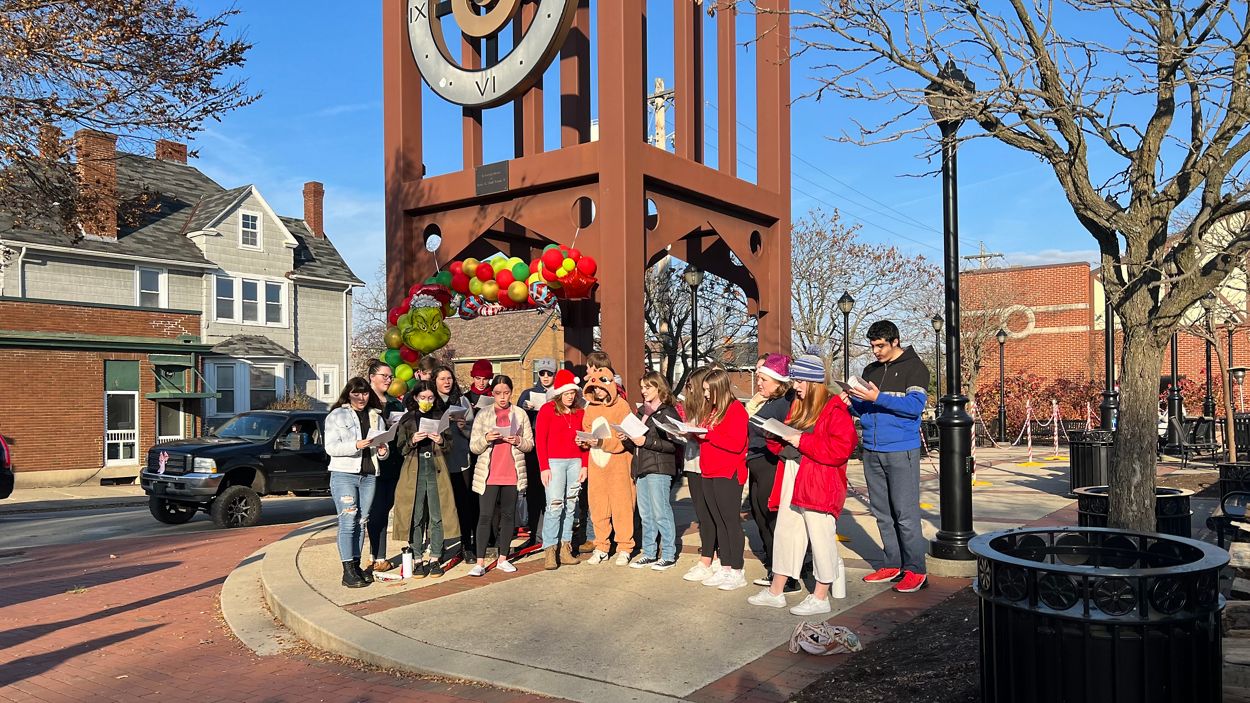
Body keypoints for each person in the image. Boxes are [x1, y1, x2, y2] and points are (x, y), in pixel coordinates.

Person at [748, 350, 856, 615]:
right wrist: (776, 437)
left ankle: (820, 596)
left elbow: (841, 449)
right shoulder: (799, 404)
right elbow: (787, 438)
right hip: (793, 471)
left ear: (813, 382)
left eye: (799, 381)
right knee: (787, 531)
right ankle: (776, 591)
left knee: (820, 536)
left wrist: (801, 441)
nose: (794, 386)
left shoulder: (835, 409)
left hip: (819, 479)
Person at [847, 323, 931, 593]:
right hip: (871, 449)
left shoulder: (915, 368)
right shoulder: (870, 370)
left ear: (895, 341)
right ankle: (892, 564)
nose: (876, 351)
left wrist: (877, 397)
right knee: (882, 513)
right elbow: (866, 409)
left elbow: (914, 406)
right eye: (873, 346)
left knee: (905, 514)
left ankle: (916, 569)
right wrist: (852, 402)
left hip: (901, 449)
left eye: (881, 345)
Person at [684, 367, 749, 590]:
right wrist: (694, 433)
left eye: (707, 390)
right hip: (709, 471)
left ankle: (737, 569)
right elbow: (708, 437)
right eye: (703, 390)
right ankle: (725, 566)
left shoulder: (736, 409)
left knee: (730, 522)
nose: (704, 394)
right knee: (718, 521)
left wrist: (708, 434)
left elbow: (736, 443)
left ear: (719, 389)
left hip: (727, 472)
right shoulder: (712, 410)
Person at [467, 374, 535, 576]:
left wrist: (518, 441)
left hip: (512, 472)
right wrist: (486, 438)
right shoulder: (484, 414)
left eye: (506, 393)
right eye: (498, 393)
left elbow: (530, 444)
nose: (502, 397)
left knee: (508, 516)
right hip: (489, 474)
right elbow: (474, 446)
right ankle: (480, 562)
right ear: (492, 393)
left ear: (511, 392)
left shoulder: (520, 414)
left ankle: (503, 558)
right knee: (485, 516)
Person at [325, 377, 389, 588]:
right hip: (344, 474)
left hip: (368, 475)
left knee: (362, 521)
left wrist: (382, 450)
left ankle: (356, 564)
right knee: (348, 520)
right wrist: (356, 445)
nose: (361, 398)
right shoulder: (337, 415)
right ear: (348, 394)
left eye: (365, 393)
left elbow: (383, 450)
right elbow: (331, 448)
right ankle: (347, 570)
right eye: (356, 393)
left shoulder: (376, 417)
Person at [394, 380, 460, 578]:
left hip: (435, 467)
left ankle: (435, 557)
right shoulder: (407, 419)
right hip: (415, 468)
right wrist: (412, 440)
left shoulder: (441, 416)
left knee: (437, 514)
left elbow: (450, 445)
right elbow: (400, 448)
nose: (427, 401)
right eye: (423, 397)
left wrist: (440, 440)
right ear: (415, 397)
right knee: (415, 515)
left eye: (430, 397)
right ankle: (417, 558)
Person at [579, 356, 637, 565]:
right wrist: (583, 441)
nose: (598, 391)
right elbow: (587, 430)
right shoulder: (590, 408)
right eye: (594, 388)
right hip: (597, 465)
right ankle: (601, 546)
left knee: (622, 507)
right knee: (598, 507)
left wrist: (602, 442)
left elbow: (625, 440)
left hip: (619, 466)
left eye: (601, 387)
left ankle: (624, 547)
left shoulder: (622, 406)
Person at [621, 371, 682, 570]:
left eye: (648, 387)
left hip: (659, 468)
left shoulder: (668, 412)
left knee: (660, 512)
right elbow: (637, 445)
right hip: (641, 467)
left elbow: (673, 445)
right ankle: (649, 553)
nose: (643, 391)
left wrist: (645, 441)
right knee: (646, 515)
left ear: (659, 388)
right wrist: (627, 439)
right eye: (642, 387)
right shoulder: (642, 412)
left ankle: (669, 555)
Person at [747, 354, 798, 591]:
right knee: (760, 516)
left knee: (773, 519)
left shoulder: (785, 402)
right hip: (757, 463)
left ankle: (786, 575)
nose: (758, 383)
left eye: (763, 380)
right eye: (758, 378)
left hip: (771, 464)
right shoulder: (768, 401)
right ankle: (773, 566)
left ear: (779, 382)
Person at [534, 369, 588, 569]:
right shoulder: (547, 410)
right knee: (555, 505)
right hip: (554, 463)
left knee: (571, 505)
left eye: (573, 393)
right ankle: (550, 549)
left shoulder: (580, 412)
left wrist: (585, 465)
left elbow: (585, 440)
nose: (570, 397)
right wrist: (544, 467)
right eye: (567, 393)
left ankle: (565, 547)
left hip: (575, 462)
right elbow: (540, 440)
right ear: (559, 394)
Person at [679, 366, 722, 582]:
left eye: (690, 386)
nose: (689, 390)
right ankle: (709, 554)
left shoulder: (712, 408)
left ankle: (712, 556)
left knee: (710, 513)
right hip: (692, 463)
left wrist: (693, 432)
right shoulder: (692, 407)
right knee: (701, 513)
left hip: (705, 464)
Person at [364, 359, 405, 575]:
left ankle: (377, 554)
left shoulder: (395, 403)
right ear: (372, 377)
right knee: (376, 510)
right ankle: (377, 556)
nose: (388, 380)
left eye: (390, 376)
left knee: (386, 506)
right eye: (384, 376)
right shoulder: (364, 401)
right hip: (372, 463)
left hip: (394, 461)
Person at [435, 365, 478, 559]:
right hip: (438, 461)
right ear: (435, 381)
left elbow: (473, 431)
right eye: (442, 378)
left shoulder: (462, 401)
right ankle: (438, 547)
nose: (447, 382)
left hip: (460, 460)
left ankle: (466, 545)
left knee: (464, 504)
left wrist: (463, 426)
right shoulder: (430, 401)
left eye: (449, 378)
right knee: (440, 505)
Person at [517, 357, 557, 545]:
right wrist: (524, 409)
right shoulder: (528, 394)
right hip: (533, 448)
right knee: (534, 492)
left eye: (549, 373)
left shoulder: (560, 393)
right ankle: (535, 534)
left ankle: (551, 535)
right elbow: (517, 420)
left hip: (554, 446)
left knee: (553, 492)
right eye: (542, 373)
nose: (546, 377)